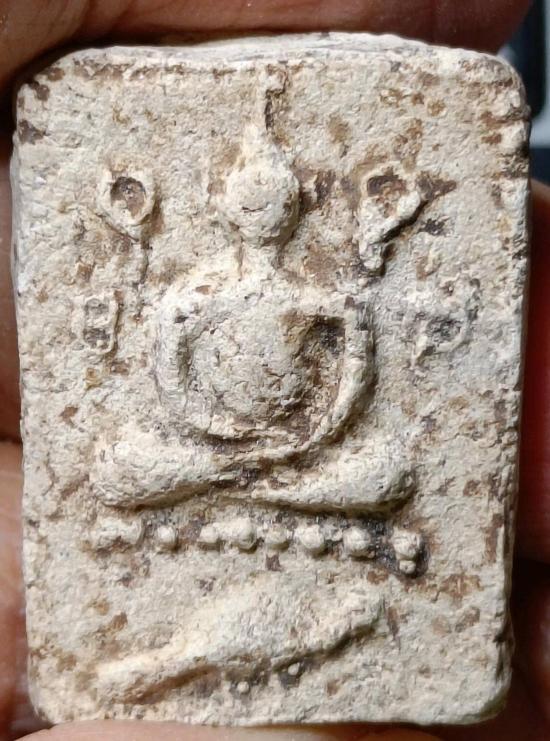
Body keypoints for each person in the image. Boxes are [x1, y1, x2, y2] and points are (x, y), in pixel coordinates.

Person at [0, 1, 547, 739]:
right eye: (248, 202)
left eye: (274, 201)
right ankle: (254, 506)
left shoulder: (320, 291)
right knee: (118, 470)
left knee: (388, 473)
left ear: (295, 205)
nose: (261, 214)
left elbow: (352, 383)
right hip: (218, 452)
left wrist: (301, 439)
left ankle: (263, 510)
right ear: (225, 206)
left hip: (295, 453)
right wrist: (230, 444)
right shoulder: (193, 293)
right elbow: (172, 387)